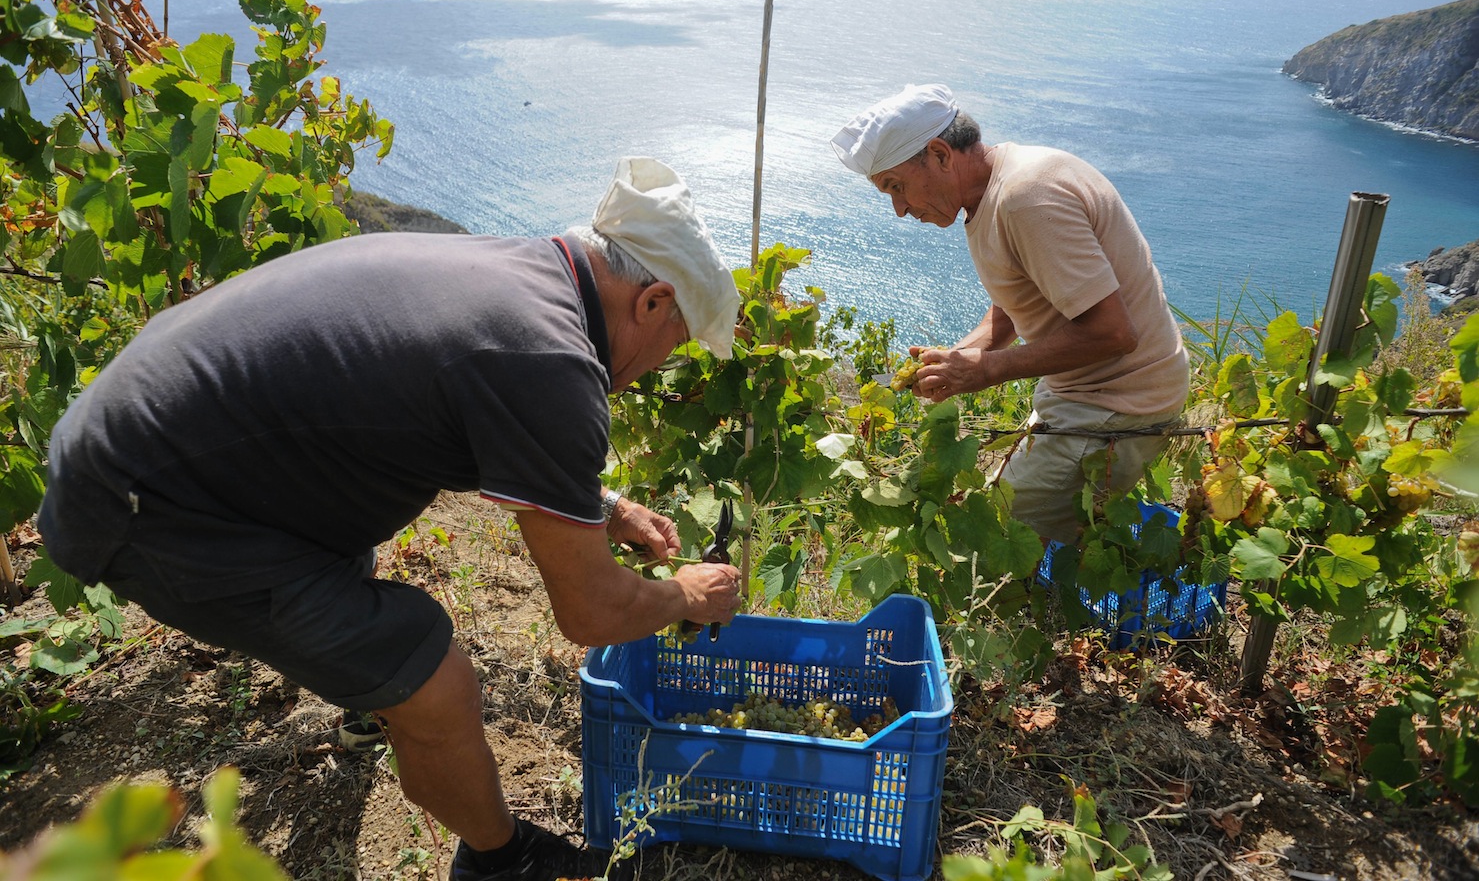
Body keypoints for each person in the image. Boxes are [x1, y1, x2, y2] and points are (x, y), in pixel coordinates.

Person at [37, 156, 744, 881]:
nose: (659, 366)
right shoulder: (551, 359)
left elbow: (453, 400)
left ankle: (367, 704)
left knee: (351, 548)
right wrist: (686, 595)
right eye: (675, 344)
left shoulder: (515, 276)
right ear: (653, 302)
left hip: (157, 442)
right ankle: (499, 861)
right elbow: (591, 612)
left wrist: (605, 509)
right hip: (144, 502)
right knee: (430, 675)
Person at [832, 84, 1189, 544]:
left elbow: (1115, 333)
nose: (899, 209)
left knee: (995, 540)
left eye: (896, 187)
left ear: (940, 154)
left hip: (1119, 403)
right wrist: (957, 358)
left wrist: (988, 369)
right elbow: (1017, 301)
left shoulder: (1026, 198)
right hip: (1090, 395)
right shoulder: (996, 191)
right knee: (1016, 520)